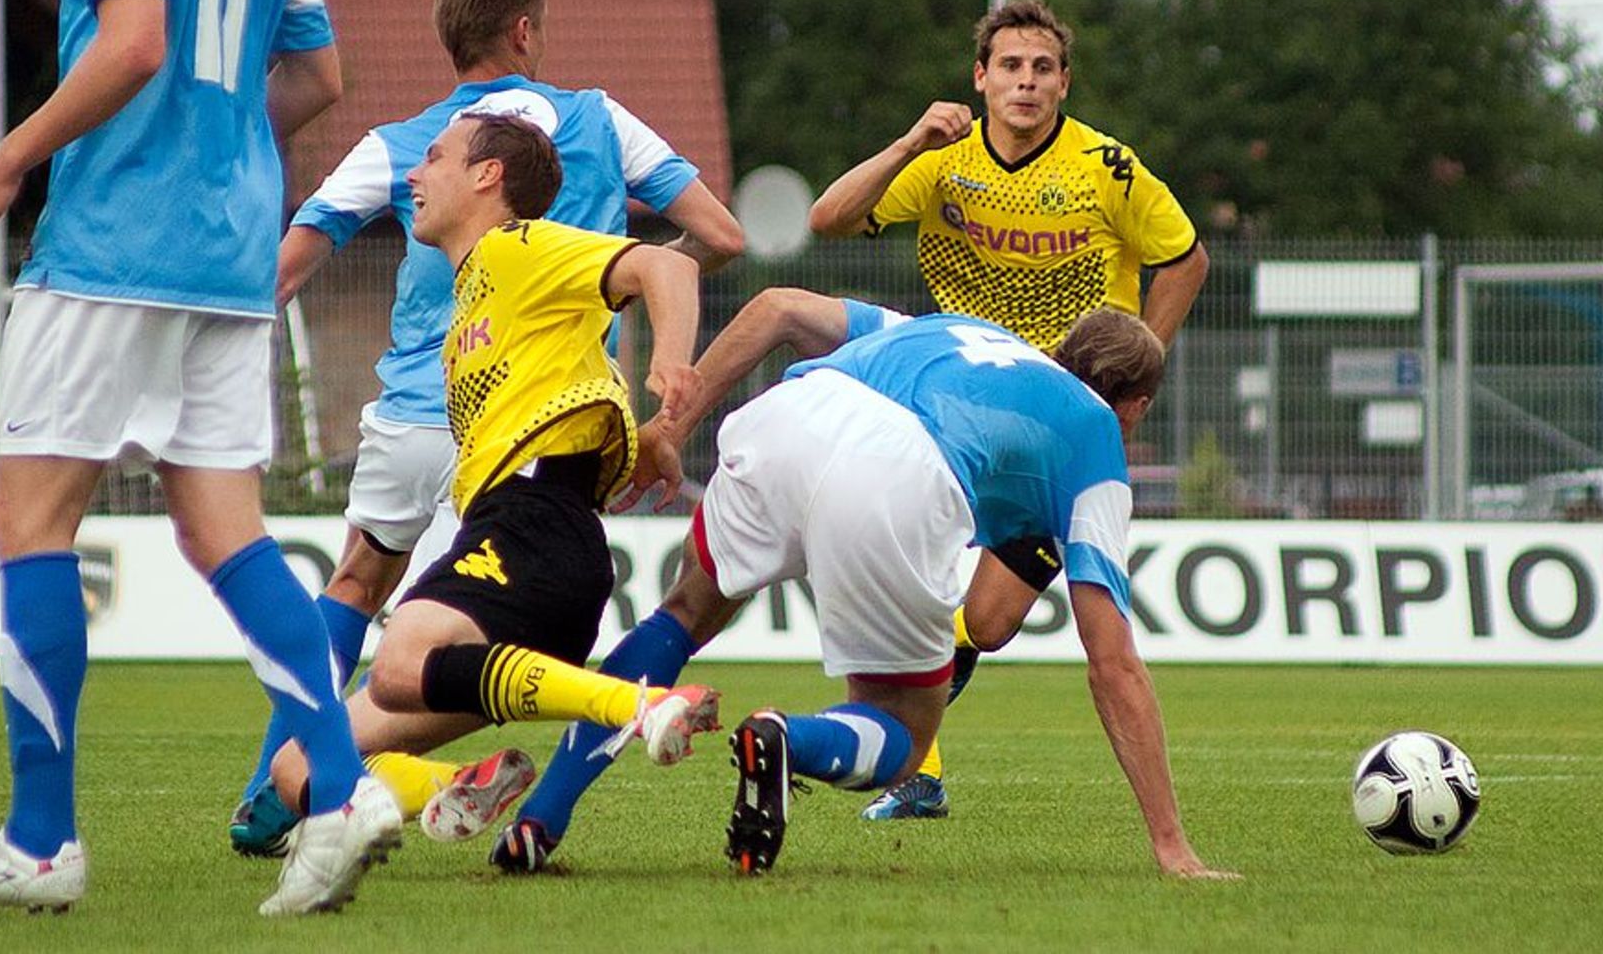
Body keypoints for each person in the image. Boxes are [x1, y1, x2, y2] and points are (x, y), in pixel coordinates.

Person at [0, 0, 399, 918]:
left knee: (28, 520)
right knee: (225, 526)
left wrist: (17, 157)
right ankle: (340, 784)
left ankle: (39, 843)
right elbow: (320, 75)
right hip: (230, 255)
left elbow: (132, 42)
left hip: (116, 244)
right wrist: (217, 140)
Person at [227, 0, 743, 855]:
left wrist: (219, 338)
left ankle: (283, 791)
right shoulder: (599, 120)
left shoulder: (405, 144)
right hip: (527, 420)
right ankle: (339, 787)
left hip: (428, 421)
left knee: (362, 592)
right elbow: (717, 233)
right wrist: (628, 313)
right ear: (524, 28)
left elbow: (296, 255)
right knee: (423, 663)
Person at [524, 288, 1233, 879]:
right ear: (1135, 406)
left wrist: (669, 428)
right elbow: (1112, 662)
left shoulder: (961, 329)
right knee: (904, 733)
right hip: (899, 470)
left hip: (790, 414)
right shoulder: (1097, 435)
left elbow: (775, 308)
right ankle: (785, 738)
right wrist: (1172, 844)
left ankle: (540, 818)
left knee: (683, 614)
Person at [805, 0, 1210, 821]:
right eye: (1011, 67)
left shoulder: (1109, 168)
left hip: (1053, 427)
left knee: (985, 624)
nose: (1026, 82)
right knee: (915, 586)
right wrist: (910, 141)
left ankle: (903, 755)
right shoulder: (942, 160)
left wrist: (1139, 362)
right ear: (980, 79)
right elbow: (827, 220)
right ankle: (912, 770)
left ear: (1064, 84)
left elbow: (1188, 258)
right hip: (956, 407)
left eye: (1043, 68)